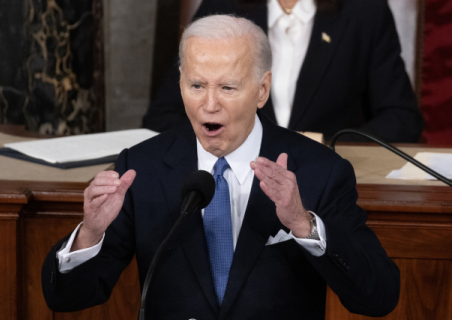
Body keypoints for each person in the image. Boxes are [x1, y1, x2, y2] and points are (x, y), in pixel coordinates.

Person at [42, 15, 399, 319]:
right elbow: (67, 298)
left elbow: (379, 295)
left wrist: (303, 225)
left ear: (262, 90)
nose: (209, 105)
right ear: (180, 83)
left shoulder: (319, 171)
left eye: (227, 87)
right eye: (196, 85)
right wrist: (89, 234)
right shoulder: (142, 169)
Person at [143, 0, 424, 143]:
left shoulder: (364, 11)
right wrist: (233, 141)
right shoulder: (222, 7)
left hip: (325, 183)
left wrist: (326, 146)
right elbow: (163, 116)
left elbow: (401, 118)